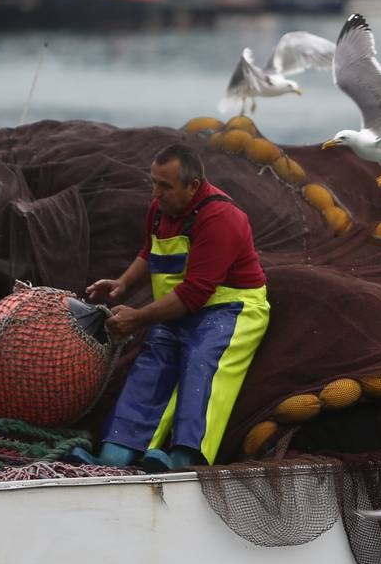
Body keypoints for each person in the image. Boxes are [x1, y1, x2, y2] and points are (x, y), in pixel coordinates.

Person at [80, 143, 270, 470]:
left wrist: (138, 318)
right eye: (153, 182)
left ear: (193, 186)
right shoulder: (160, 209)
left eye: (164, 186)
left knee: (201, 362)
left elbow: (195, 293)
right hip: (177, 309)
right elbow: (149, 251)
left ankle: (185, 458)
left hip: (231, 309)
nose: (156, 193)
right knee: (150, 368)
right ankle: (115, 454)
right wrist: (123, 284)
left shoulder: (221, 218)